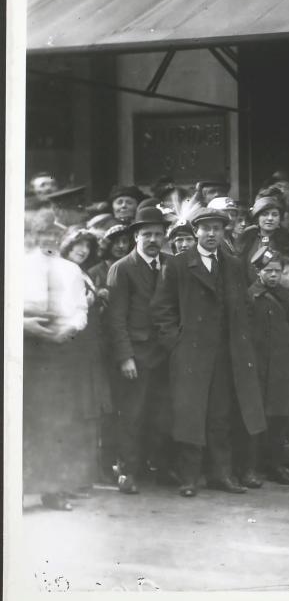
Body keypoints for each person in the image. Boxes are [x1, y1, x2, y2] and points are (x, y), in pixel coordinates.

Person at [151, 207, 267, 497]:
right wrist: (175, 344)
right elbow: (161, 309)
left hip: (226, 354)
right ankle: (189, 478)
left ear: (224, 231)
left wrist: (242, 341)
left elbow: (244, 306)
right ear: (195, 232)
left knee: (220, 416)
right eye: (206, 229)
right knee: (190, 416)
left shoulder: (233, 264)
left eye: (217, 228)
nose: (212, 234)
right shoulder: (178, 265)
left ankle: (221, 474)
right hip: (191, 354)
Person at [23, 210, 106, 511]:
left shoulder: (70, 270)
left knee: (57, 421)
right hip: (24, 348)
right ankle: (15, 491)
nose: (48, 240)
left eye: (54, 236)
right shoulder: (17, 265)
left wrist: (68, 330)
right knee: (24, 419)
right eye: (42, 234)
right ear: (33, 236)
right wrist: (24, 325)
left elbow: (80, 309)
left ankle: (53, 490)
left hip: (59, 351)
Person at [104, 205, 173, 494]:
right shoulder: (122, 268)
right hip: (137, 354)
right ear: (136, 237)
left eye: (158, 234)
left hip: (165, 354)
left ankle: (156, 466)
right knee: (132, 414)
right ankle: (127, 472)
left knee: (161, 413)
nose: (153, 239)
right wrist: (125, 357)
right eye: (147, 234)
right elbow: (115, 318)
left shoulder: (171, 264)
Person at [247, 248, 289, 485]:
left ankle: (275, 464)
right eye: (268, 271)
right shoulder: (250, 297)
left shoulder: (288, 298)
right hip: (258, 368)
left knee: (279, 419)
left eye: (277, 271)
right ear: (257, 272)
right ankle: (250, 467)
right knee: (256, 419)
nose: (273, 276)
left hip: (283, 369)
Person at [239, 195, 289, 282]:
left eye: (274, 215)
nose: (270, 218)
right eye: (265, 214)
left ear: (280, 218)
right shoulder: (247, 238)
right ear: (258, 218)